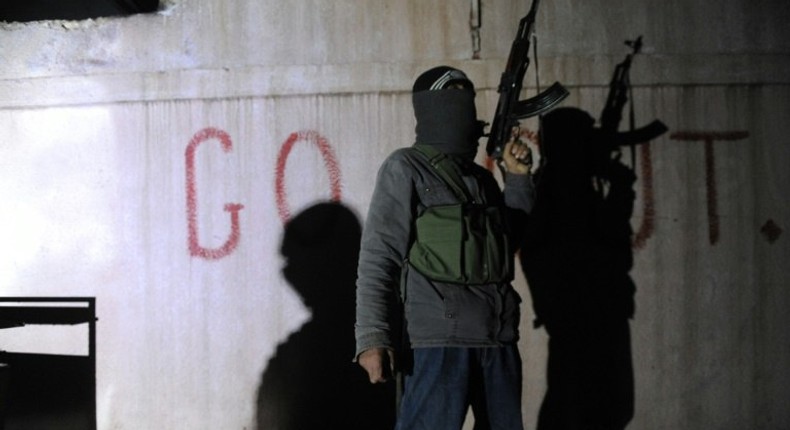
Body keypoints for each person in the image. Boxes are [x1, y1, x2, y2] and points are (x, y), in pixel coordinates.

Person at [354, 65, 535, 430]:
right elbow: (379, 257)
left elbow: (506, 244)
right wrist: (373, 338)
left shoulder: (481, 179)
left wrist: (517, 179)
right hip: (437, 343)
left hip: (496, 340)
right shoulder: (406, 167)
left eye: (466, 96)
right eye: (453, 96)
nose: (464, 109)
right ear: (432, 107)